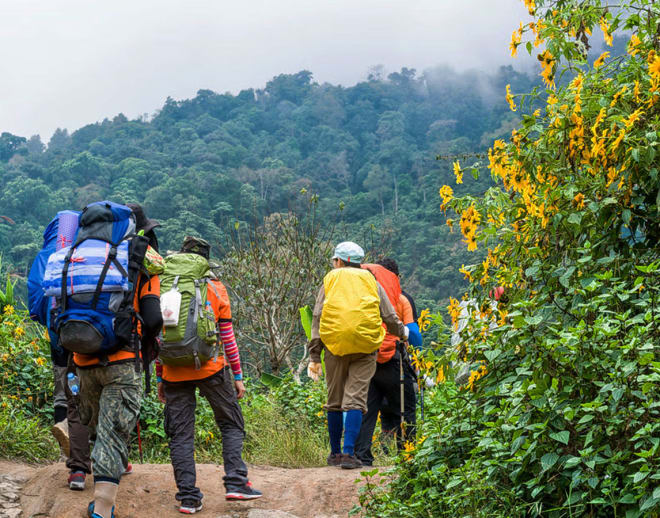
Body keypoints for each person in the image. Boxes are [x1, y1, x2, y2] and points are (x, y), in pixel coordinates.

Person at [156, 236, 261, 515]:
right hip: (212, 368)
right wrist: (237, 375)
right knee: (230, 423)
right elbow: (228, 337)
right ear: (205, 261)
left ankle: (189, 498)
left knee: (180, 434)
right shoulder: (215, 287)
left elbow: (158, 334)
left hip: (173, 371)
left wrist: (159, 376)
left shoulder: (163, 285)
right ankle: (237, 483)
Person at [71, 202, 163, 518]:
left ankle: (107, 481)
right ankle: (103, 510)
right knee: (113, 434)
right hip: (122, 361)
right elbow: (153, 319)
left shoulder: (79, 257)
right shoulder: (142, 260)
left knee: (99, 429)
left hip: (82, 359)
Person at [307, 242, 408, 469]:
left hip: (334, 345)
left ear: (339, 261)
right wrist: (403, 333)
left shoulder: (330, 280)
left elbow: (318, 315)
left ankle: (334, 454)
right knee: (355, 399)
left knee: (334, 400)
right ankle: (349, 454)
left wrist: (315, 353)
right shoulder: (371, 280)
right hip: (365, 347)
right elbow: (389, 316)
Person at [354, 258, 422, 466]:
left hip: (366, 359)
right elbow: (415, 336)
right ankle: (406, 455)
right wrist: (418, 362)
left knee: (367, 409)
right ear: (395, 278)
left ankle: (362, 456)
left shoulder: (361, 298)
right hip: (394, 360)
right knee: (406, 408)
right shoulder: (401, 299)